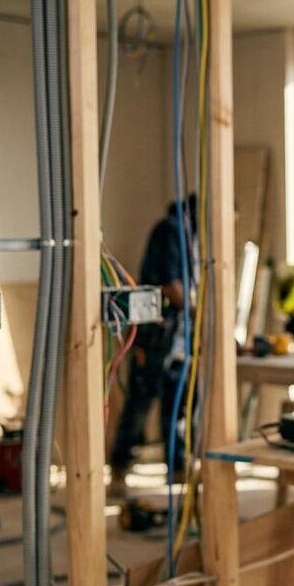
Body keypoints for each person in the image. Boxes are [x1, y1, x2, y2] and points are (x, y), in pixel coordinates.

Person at [108, 195, 198, 496]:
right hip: (158, 331)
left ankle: (177, 469)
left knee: (176, 402)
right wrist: (203, 310)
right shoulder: (172, 230)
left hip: (176, 335)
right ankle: (119, 470)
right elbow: (173, 288)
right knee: (141, 400)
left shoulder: (187, 233)